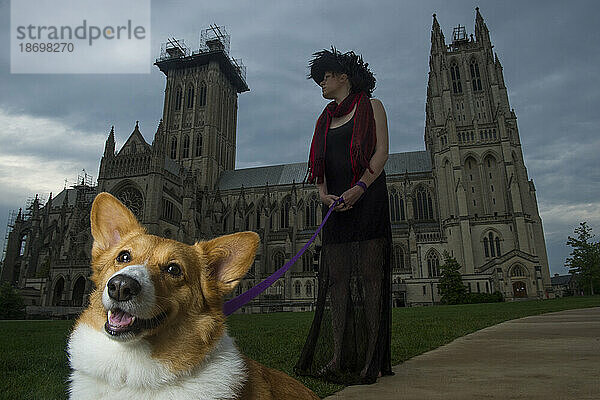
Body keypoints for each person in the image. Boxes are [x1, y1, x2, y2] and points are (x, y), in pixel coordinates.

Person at [295, 47, 393, 385]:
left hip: (367, 201)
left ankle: (372, 359)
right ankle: (339, 356)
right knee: (336, 282)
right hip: (335, 206)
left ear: (344, 76)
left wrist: (361, 188)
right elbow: (319, 166)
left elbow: (381, 153)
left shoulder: (372, 106)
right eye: (319, 77)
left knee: (370, 280)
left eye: (326, 75)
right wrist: (323, 195)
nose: (321, 81)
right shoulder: (324, 119)